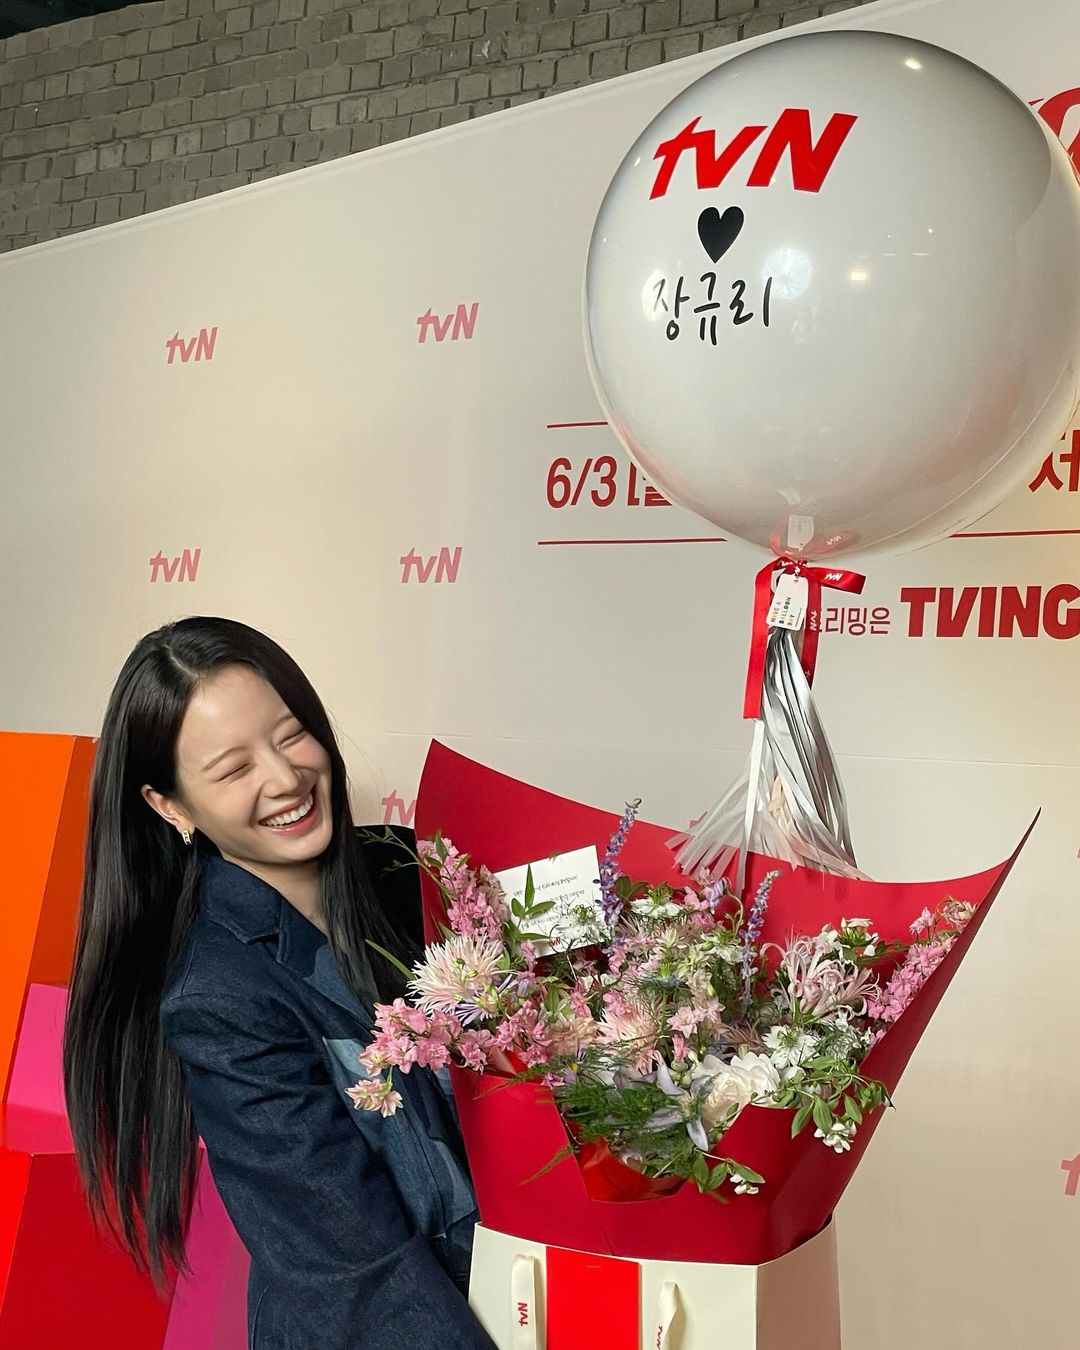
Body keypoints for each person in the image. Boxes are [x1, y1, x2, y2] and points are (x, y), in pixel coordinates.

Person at [62, 615, 497, 1349]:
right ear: (170, 806)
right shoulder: (215, 996)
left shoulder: (407, 869)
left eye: (291, 735)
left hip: (526, 1294)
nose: (286, 778)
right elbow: (355, 1267)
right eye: (234, 770)